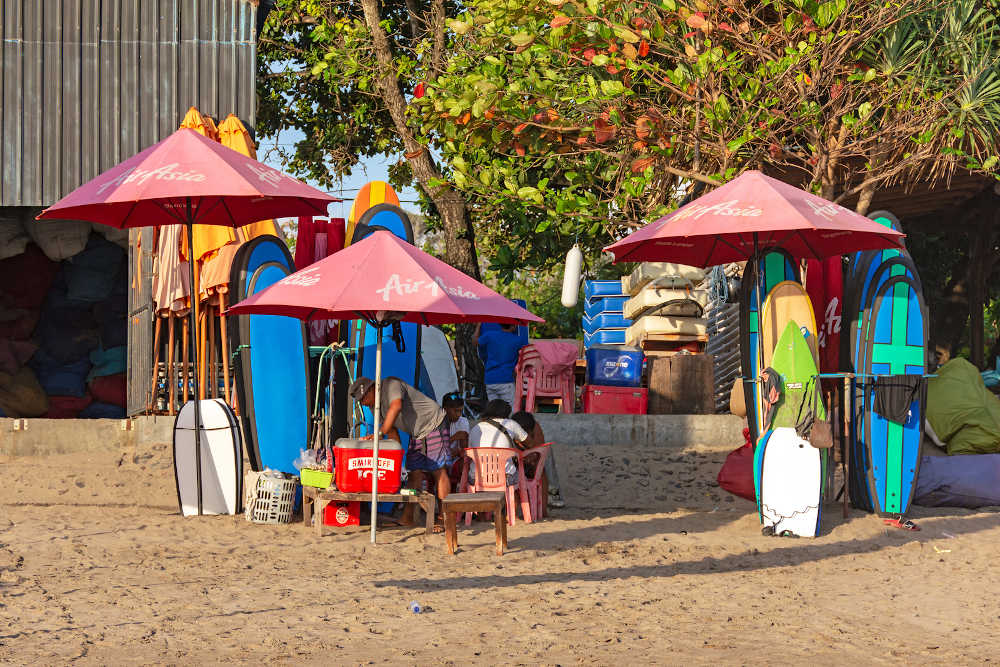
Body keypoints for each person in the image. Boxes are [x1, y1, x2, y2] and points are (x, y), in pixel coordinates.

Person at [349, 376, 452, 528]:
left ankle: (445, 519)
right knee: (413, 474)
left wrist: (379, 433)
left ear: (372, 389)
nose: (363, 403)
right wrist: (396, 461)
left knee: (439, 472)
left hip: (434, 423)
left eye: (364, 398)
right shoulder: (374, 407)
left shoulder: (391, 384)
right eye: (360, 401)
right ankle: (408, 518)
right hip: (417, 433)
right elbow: (392, 433)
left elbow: (396, 406)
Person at [467, 399, 529, 486]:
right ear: (507, 413)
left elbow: (469, 454)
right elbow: (528, 442)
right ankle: (516, 499)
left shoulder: (476, 427)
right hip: (505, 478)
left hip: (476, 479)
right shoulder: (511, 423)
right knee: (522, 477)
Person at [510, 410, 565, 509]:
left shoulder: (535, 428)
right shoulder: (509, 429)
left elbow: (539, 451)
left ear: (530, 431)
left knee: (547, 454)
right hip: (513, 465)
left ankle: (553, 492)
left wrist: (532, 456)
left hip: (530, 460)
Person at [474, 323, 527, 407]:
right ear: (513, 326)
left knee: (494, 411)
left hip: (490, 380)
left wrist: (478, 326)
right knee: (509, 411)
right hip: (506, 381)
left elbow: (475, 342)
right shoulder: (518, 340)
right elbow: (525, 356)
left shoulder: (489, 335)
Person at [442, 391, 470, 489]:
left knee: (464, 462)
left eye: (460, 411)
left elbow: (464, 446)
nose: (459, 414)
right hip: (440, 458)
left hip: (455, 457)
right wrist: (454, 437)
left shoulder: (463, 421)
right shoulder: (437, 422)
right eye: (456, 411)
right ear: (445, 409)